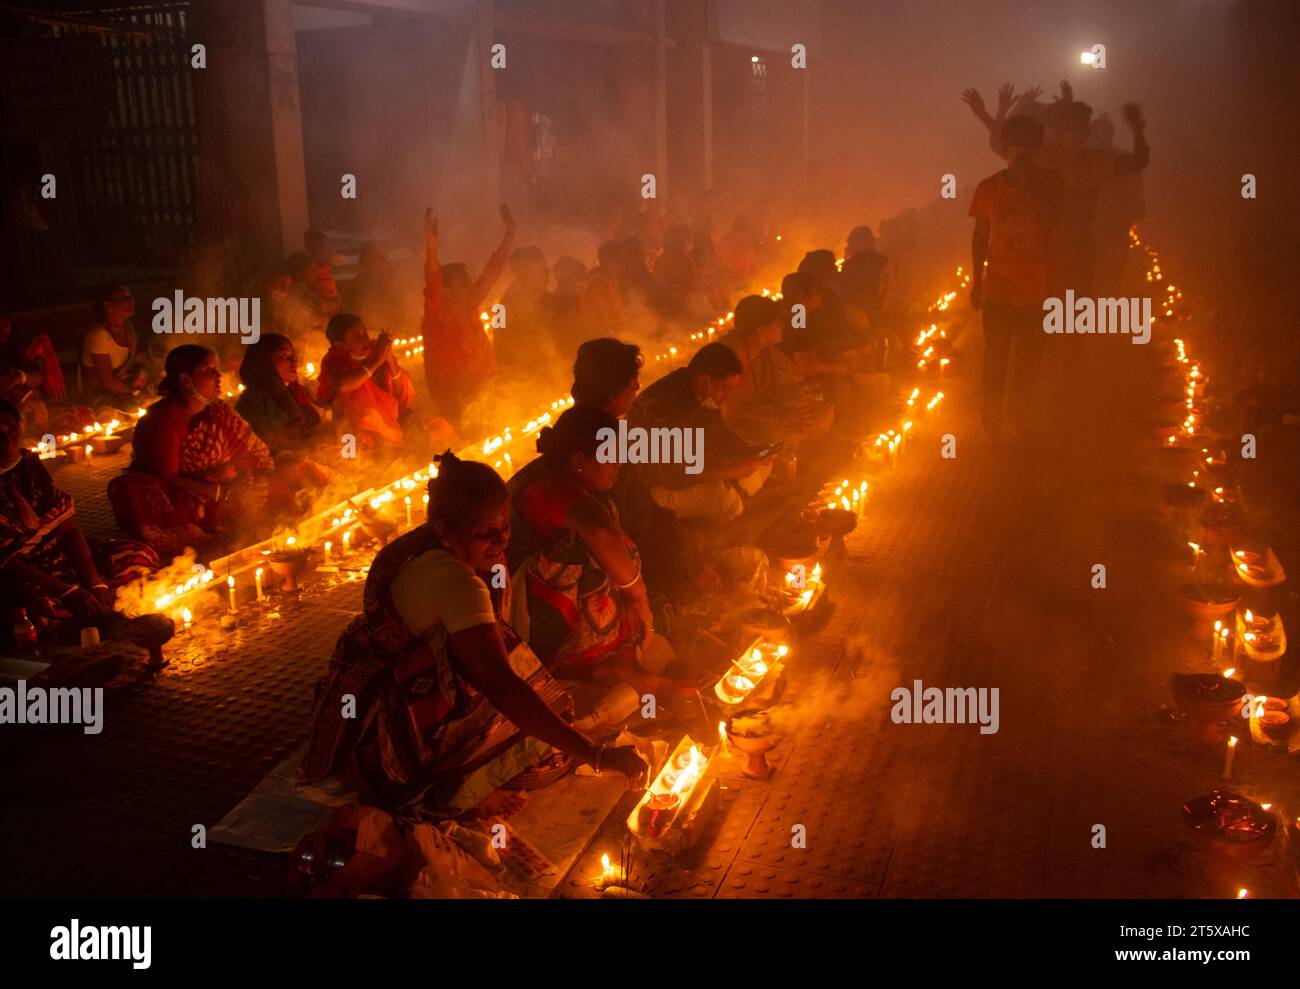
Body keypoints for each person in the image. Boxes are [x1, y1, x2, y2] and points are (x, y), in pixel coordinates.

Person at [299, 450, 648, 819]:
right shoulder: (454, 580)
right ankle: (451, 793)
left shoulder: (431, 548)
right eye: (484, 531)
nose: (500, 540)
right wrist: (594, 754)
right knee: (546, 757)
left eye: (506, 526)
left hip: (372, 698)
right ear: (445, 532)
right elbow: (500, 683)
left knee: (550, 714)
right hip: (384, 731)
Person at [506, 406, 676, 690]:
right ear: (579, 461)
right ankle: (593, 666)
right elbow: (600, 532)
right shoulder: (555, 489)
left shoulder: (553, 475)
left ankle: (616, 664)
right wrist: (639, 600)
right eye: (610, 456)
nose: (619, 464)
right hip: (539, 620)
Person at [570, 338, 722, 600]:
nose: (638, 387)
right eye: (631, 383)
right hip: (621, 568)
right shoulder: (597, 443)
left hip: (642, 535)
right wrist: (689, 564)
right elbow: (622, 528)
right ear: (611, 391)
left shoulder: (588, 427)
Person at [0, 398, 158, 633]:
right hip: (22, 574)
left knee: (139, 556)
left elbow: (68, 528)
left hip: (59, 557)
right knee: (33, 611)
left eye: (12, 429)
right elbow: (7, 562)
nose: (7, 439)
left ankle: (96, 603)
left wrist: (95, 584)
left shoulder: (30, 464)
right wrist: (67, 592)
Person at [108, 345, 275, 558]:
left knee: (273, 485)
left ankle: (227, 518)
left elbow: (252, 453)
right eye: (208, 371)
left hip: (216, 488)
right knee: (136, 492)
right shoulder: (161, 420)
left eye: (216, 369)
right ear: (186, 380)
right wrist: (223, 493)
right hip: (178, 496)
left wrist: (244, 479)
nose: (217, 376)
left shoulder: (219, 412)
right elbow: (169, 479)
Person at [968, 114, 1064, 441]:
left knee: (1028, 360)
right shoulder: (988, 188)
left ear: (1038, 150)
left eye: (1030, 145)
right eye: (1016, 144)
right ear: (1005, 148)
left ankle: (1018, 419)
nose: (1023, 151)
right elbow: (981, 235)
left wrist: (1030, 184)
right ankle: (992, 424)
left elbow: (1055, 220)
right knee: (996, 357)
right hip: (999, 287)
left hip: (1038, 289)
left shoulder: (1051, 182)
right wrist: (976, 281)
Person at [628, 342, 774, 521]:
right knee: (728, 502)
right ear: (704, 380)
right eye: (725, 389)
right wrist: (731, 471)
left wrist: (754, 451)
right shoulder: (665, 407)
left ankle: (736, 492)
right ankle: (735, 501)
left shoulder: (698, 391)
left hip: (689, 473)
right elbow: (675, 475)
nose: (728, 396)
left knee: (761, 467)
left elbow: (720, 436)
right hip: (654, 488)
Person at [420, 208, 513, 425]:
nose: (464, 290)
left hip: (482, 381)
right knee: (463, 435)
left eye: (466, 284)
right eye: (456, 286)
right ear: (445, 290)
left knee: (488, 429)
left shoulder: (470, 304)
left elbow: (491, 273)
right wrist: (431, 244)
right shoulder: (437, 313)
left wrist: (509, 236)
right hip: (452, 389)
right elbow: (433, 280)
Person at [722, 295, 832, 452]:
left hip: (765, 410)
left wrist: (800, 407)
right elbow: (732, 414)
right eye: (777, 323)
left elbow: (792, 378)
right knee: (789, 434)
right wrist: (782, 417)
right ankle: (788, 470)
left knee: (823, 413)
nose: (783, 326)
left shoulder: (764, 350)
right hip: (735, 428)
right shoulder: (729, 360)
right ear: (761, 331)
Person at [236, 334, 333, 496]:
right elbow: (269, 450)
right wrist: (307, 461)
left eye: (293, 356)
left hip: (309, 468)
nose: (294, 362)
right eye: (284, 356)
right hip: (277, 485)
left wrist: (333, 448)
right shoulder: (254, 401)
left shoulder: (293, 391)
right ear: (264, 362)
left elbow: (310, 432)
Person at [317, 313, 412, 449]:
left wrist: (388, 357)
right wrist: (377, 362)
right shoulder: (333, 360)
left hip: (386, 421)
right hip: (350, 427)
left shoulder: (375, 349)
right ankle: (349, 458)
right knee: (351, 458)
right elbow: (343, 386)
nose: (365, 339)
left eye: (365, 333)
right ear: (340, 344)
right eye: (357, 336)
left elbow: (400, 392)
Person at [81, 283, 147, 403]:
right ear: (107, 305)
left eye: (130, 297)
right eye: (122, 299)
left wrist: (142, 380)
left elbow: (136, 361)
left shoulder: (128, 327)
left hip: (124, 387)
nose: (130, 301)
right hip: (102, 396)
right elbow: (107, 381)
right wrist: (134, 393)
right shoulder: (99, 336)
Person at [497, 245, 554, 377]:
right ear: (522, 272)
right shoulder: (502, 306)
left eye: (545, 267)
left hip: (548, 366)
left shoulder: (547, 297)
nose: (547, 272)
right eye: (539, 269)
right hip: (522, 372)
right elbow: (499, 341)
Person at [278, 252, 339, 349]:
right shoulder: (296, 292)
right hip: (301, 341)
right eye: (311, 269)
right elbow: (312, 316)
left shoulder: (306, 289)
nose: (314, 272)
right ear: (300, 274)